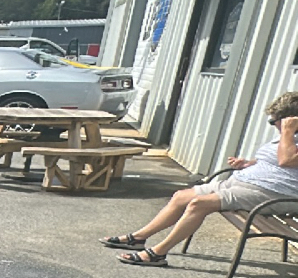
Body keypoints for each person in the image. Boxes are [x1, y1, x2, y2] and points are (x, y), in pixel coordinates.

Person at [101, 92, 298, 266]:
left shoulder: (288, 136)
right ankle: (138, 238)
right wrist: (248, 163)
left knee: (199, 204)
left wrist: (288, 132)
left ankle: (157, 253)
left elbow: (286, 160)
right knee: (181, 196)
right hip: (243, 184)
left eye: (274, 121)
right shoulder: (286, 137)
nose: (273, 126)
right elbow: (274, 159)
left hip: (272, 195)